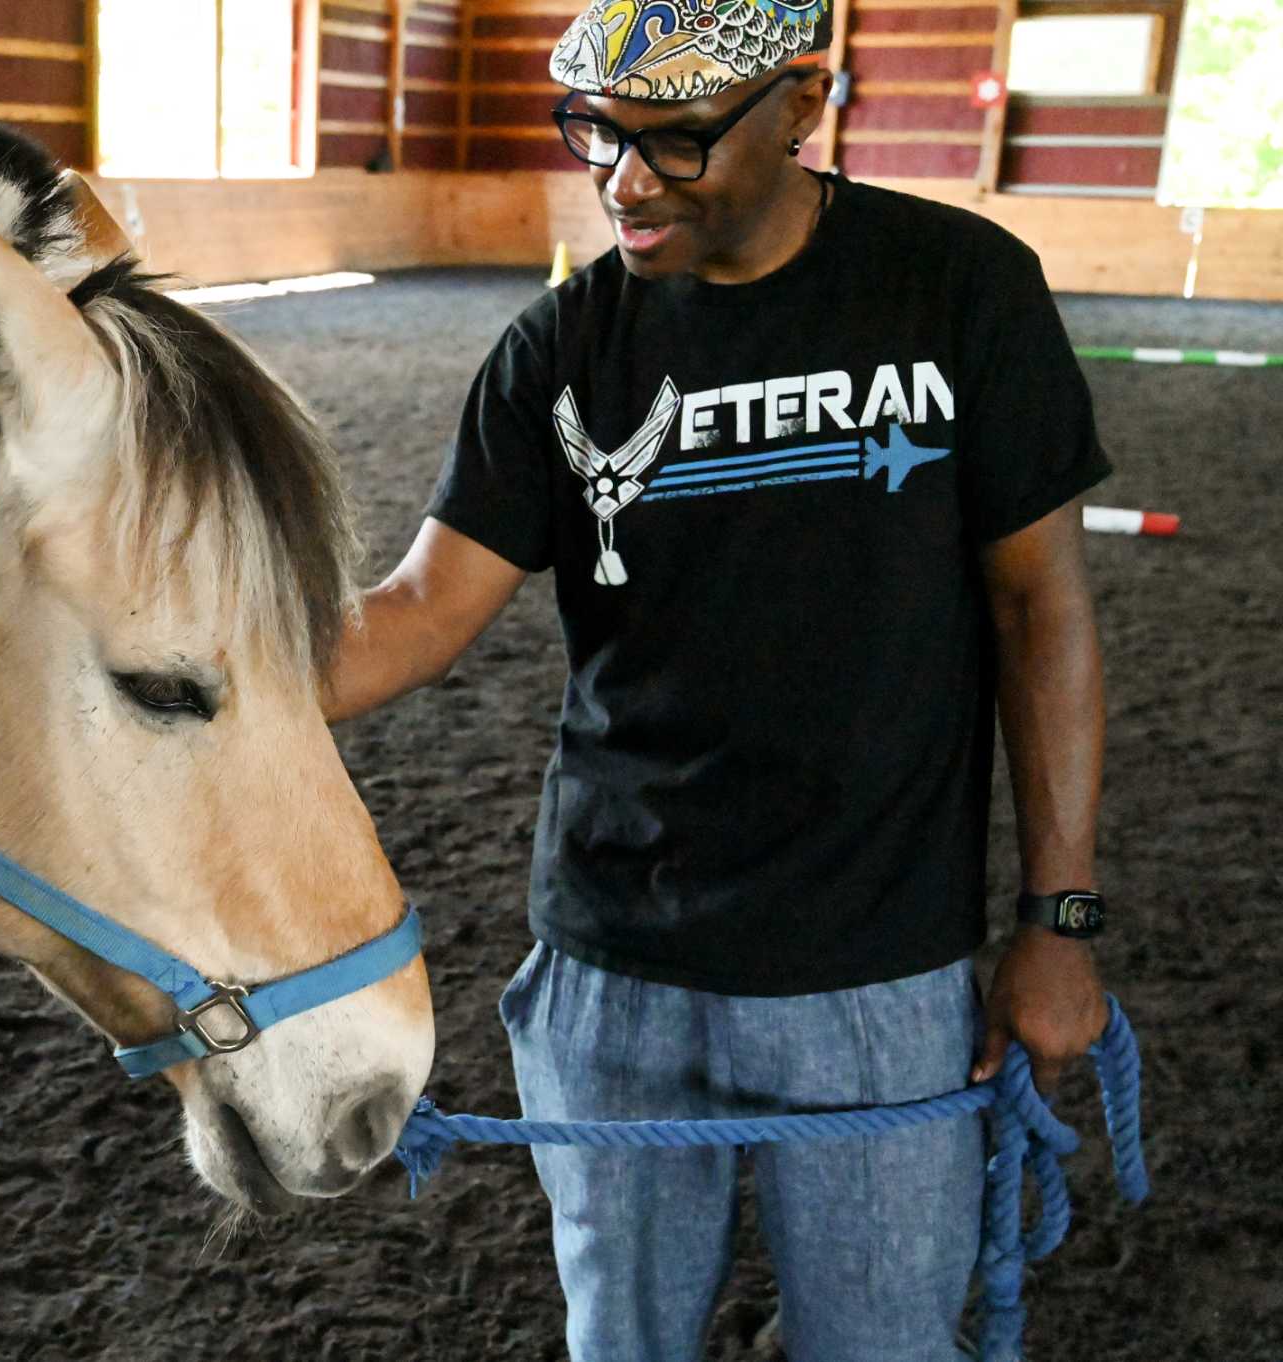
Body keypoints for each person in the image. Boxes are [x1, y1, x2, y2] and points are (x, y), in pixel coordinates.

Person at [323, 2, 1114, 1357]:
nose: (626, 178)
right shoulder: (558, 349)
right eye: (598, 134)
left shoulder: (960, 288)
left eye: (675, 141)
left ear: (802, 105)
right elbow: (415, 609)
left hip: (876, 975)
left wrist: (1061, 919)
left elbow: (1042, 607)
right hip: (610, 972)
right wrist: (182, 683)